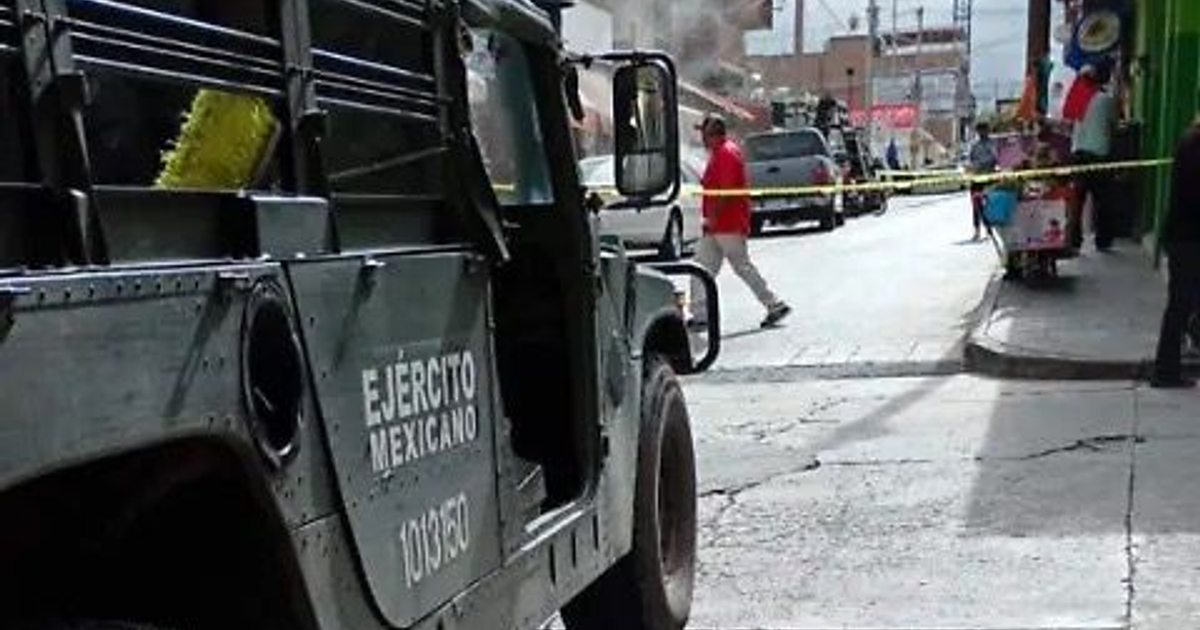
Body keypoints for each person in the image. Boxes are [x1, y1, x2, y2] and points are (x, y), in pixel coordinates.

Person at [690, 114, 791, 329]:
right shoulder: (720, 153)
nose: (701, 139)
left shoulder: (726, 154)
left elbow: (726, 192)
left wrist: (713, 218)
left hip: (727, 223)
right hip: (718, 225)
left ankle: (774, 304)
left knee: (740, 266)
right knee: (701, 267)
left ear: (712, 135)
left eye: (704, 134)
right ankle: (700, 314)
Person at [1151, 120, 1200, 389]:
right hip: (1188, 239)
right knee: (1181, 303)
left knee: (1186, 300)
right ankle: (1165, 370)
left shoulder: (1190, 140)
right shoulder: (1194, 144)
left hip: (1184, 236)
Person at [1069, 63, 1118, 250]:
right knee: (1103, 200)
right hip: (1099, 155)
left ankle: (1074, 240)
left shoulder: (1078, 99)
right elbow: (1114, 123)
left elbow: (1070, 121)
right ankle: (1103, 240)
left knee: (1077, 200)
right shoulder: (1106, 100)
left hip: (1078, 154)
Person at [967, 122, 999, 241]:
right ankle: (977, 230)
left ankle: (989, 229)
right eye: (980, 131)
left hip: (989, 178)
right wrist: (972, 167)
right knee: (976, 205)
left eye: (984, 130)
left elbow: (995, 158)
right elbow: (971, 159)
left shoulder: (993, 143)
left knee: (990, 204)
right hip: (977, 178)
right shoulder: (974, 145)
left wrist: (982, 164)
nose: (982, 133)